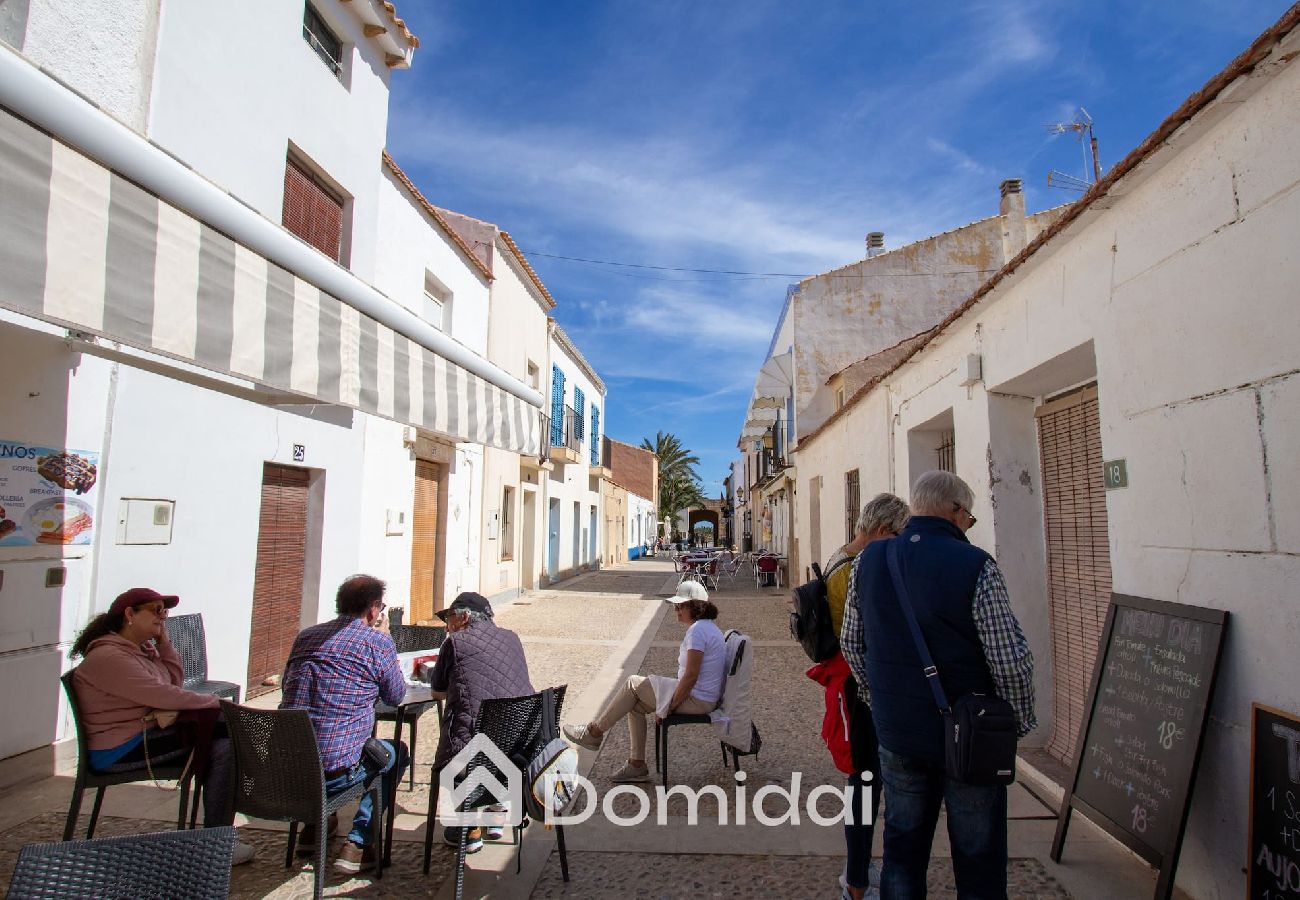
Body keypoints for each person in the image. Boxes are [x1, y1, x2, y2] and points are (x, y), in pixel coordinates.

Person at [845, 471, 1036, 898]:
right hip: (972, 738)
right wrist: (1017, 723)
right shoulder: (976, 566)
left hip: (899, 735)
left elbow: (853, 646)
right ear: (955, 512)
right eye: (970, 518)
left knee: (902, 854)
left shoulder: (870, 562)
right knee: (978, 858)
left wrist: (880, 700)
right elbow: (1010, 661)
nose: (969, 527)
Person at [70, 587, 255, 865]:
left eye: (165, 611)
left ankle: (218, 837)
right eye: (155, 610)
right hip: (119, 749)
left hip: (140, 736)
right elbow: (165, 695)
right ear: (129, 614)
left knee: (226, 738)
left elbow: (174, 681)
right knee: (226, 743)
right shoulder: (110, 657)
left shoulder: (141, 650)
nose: (162, 617)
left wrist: (164, 642)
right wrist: (219, 704)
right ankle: (218, 842)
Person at [811, 493, 911, 900]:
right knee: (867, 782)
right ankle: (857, 879)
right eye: (899, 533)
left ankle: (859, 870)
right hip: (860, 687)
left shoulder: (839, 556)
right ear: (884, 530)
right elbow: (861, 633)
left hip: (849, 683)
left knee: (864, 780)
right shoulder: (858, 569)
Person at [280, 574, 409, 875]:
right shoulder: (377, 642)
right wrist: (385, 640)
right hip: (336, 774)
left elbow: (288, 686)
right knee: (394, 753)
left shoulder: (306, 636)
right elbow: (395, 695)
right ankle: (359, 843)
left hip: (289, 771)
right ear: (374, 610)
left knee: (324, 740)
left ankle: (313, 829)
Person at [563, 580, 726, 783]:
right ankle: (636, 765)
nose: (676, 610)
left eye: (680, 606)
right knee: (635, 704)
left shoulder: (698, 631)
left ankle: (593, 732)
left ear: (695, 606)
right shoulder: (707, 628)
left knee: (632, 684)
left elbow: (691, 676)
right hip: (703, 697)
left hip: (697, 700)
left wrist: (668, 707)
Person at [427, 591, 533, 852]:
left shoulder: (454, 643)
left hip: (476, 755)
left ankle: (470, 826)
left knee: (460, 742)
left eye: (449, 618)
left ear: (463, 618)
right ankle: (497, 809)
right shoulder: (513, 638)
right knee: (494, 729)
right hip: (521, 750)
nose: (447, 625)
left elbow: (437, 692)